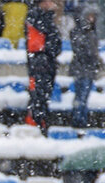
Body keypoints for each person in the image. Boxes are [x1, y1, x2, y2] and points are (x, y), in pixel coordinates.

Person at [24, 0, 62, 136]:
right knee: (37, 98)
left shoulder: (45, 19)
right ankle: (34, 128)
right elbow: (38, 46)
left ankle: (40, 126)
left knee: (43, 99)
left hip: (46, 65)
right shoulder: (35, 19)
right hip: (39, 66)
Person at [69, 4, 101, 128]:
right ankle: (78, 120)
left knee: (84, 97)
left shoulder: (92, 32)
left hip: (88, 69)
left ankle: (82, 119)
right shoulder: (78, 32)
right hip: (81, 68)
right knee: (81, 96)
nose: (91, 19)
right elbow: (82, 50)